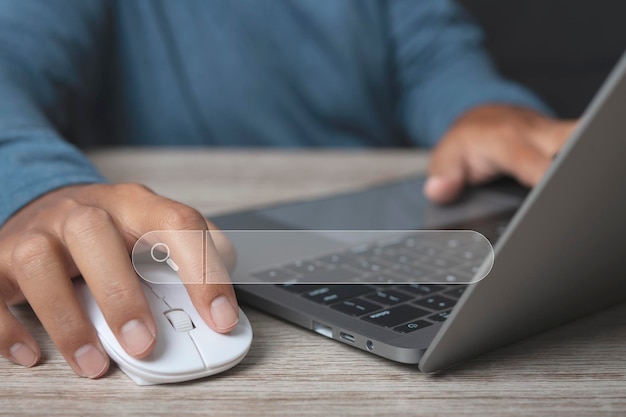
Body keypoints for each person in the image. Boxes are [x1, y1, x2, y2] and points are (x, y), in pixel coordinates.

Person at [0, 0, 575, 379]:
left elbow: (434, 55)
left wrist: (481, 109)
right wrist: (38, 188)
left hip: (392, 217)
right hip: (194, 235)